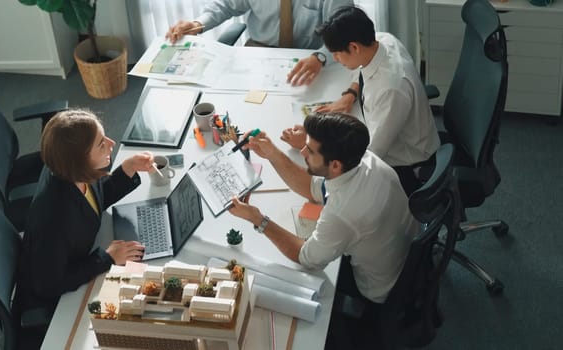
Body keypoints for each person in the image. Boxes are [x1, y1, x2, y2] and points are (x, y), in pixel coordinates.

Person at [229, 113, 418, 340]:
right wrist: (272, 153)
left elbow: (307, 258)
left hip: (378, 289)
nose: (302, 152)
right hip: (404, 259)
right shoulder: (365, 159)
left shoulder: (343, 212)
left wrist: (258, 220)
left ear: (335, 164)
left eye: (310, 151)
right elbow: (313, 188)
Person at [15, 109, 155, 347]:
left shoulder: (73, 175)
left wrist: (127, 168)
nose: (111, 144)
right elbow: (50, 284)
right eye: (101, 144)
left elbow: (94, 202)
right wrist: (106, 257)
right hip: (57, 300)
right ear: (79, 160)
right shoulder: (54, 217)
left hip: (74, 259)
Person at [281, 6, 440, 195]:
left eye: (338, 54)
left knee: (326, 193)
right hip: (378, 134)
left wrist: (315, 145)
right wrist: (350, 94)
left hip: (405, 165)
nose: (336, 59)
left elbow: (369, 155)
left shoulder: (391, 89)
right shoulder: (383, 41)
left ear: (354, 47)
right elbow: (361, 68)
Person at [165, 0, 353, 86]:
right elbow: (225, 5)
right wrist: (198, 23)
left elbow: (345, 28)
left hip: (308, 58)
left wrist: (320, 57)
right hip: (259, 53)